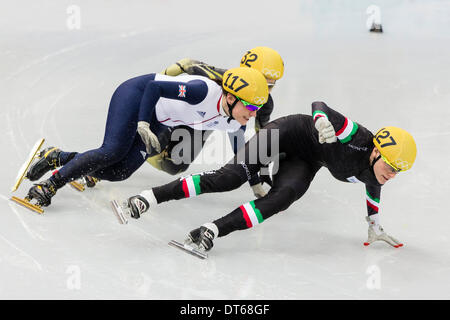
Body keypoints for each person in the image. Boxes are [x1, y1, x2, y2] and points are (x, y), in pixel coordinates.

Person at [120, 101, 417, 253]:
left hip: (307, 159)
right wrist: (322, 120)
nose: (391, 175)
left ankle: (211, 231)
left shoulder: (377, 175)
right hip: (287, 133)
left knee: (282, 199)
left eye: (398, 171)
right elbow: (319, 105)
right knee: (229, 178)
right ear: (376, 151)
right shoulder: (357, 136)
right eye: (391, 166)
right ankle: (148, 197)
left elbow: (372, 189)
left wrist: (374, 226)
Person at [23, 67, 269, 208]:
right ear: (230, 97)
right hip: (138, 95)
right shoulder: (201, 91)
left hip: (158, 120)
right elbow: (154, 88)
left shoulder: (234, 120)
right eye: (250, 107)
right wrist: (142, 123)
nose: (253, 113)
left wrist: (256, 182)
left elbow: (243, 154)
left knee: (120, 172)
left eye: (257, 109)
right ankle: (50, 185)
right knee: (112, 151)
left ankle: (58, 157)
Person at [146, 47, 284, 198]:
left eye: (270, 86)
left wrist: (259, 175)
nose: (264, 91)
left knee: (174, 166)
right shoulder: (221, 77)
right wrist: (156, 84)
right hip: (184, 109)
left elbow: (257, 142)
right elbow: (186, 64)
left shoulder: (264, 104)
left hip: (202, 123)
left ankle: (146, 153)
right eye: (262, 83)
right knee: (149, 144)